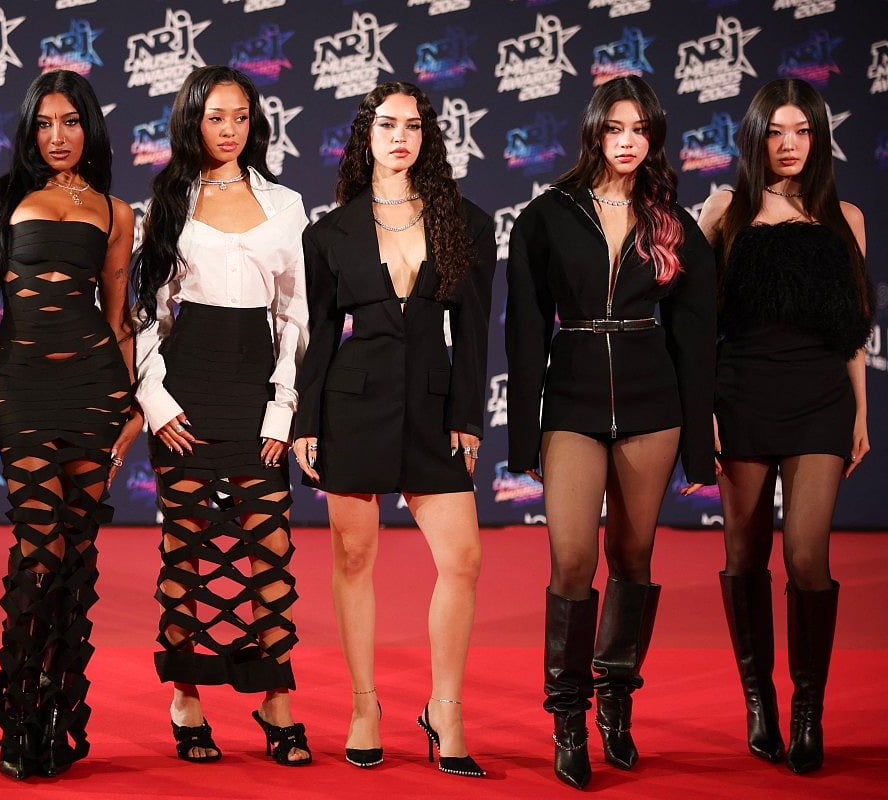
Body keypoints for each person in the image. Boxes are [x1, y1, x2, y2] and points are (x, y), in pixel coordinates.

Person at [505, 76, 716, 790]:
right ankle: (567, 718)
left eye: (640, 129)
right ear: (594, 131)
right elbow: (525, 331)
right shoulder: (546, 216)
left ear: (653, 137)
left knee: (632, 556)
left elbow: (694, 338)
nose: (627, 141)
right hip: (572, 401)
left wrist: (699, 446)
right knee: (571, 562)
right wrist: (520, 436)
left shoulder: (670, 221)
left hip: (654, 402)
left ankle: (616, 706)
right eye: (615, 127)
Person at [0, 70, 142, 780]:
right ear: (29, 130)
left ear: (90, 127)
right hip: (22, 389)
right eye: (44, 124)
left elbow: (120, 318)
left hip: (95, 389)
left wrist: (133, 403)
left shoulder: (119, 212)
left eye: (70, 122)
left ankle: (59, 713)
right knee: (42, 546)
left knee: (77, 556)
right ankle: (20, 713)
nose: (58, 137)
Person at [292, 81, 494, 778]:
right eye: (387, 124)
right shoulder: (331, 231)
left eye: (412, 125)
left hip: (434, 410)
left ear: (427, 136)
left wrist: (467, 417)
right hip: (353, 404)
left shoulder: (465, 221)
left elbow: (473, 336)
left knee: (462, 559)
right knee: (353, 560)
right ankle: (363, 705)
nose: (400, 136)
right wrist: (306, 418)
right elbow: (317, 335)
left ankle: (446, 708)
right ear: (365, 135)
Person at [132, 65, 311, 766]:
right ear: (192, 123)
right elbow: (146, 311)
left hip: (255, 388)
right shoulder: (168, 201)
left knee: (268, 550)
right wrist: (157, 401)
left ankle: (277, 701)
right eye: (214, 117)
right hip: (187, 390)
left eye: (240, 117)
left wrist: (282, 408)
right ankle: (186, 699)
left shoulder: (288, 204)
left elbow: (297, 316)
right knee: (186, 549)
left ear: (254, 123)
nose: (229, 130)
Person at [697, 78, 871, 775]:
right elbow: (694, 321)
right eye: (777, 131)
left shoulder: (846, 217)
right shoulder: (724, 211)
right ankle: (758, 701)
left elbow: (854, 328)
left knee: (805, 556)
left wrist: (860, 412)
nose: (790, 144)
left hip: (820, 399)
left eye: (802, 130)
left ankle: (807, 708)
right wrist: (701, 407)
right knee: (745, 555)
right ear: (756, 137)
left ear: (818, 136)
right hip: (740, 394)